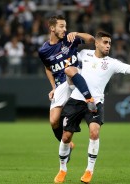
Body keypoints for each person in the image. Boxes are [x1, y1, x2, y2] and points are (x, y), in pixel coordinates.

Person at [53, 31, 130, 183]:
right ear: (97, 43)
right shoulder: (84, 54)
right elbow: (67, 64)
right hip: (76, 100)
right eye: (105, 42)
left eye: (109, 43)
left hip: (96, 102)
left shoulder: (112, 63)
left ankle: (89, 170)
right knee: (66, 137)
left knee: (94, 133)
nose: (108, 46)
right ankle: (62, 170)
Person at [38, 15, 97, 156]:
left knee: (69, 70)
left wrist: (76, 33)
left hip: (76, 78)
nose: (65, 29)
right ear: (52, 28)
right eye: (61, 26)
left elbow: (91, 40)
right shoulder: (44, 51)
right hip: (61, 85)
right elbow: (48, 68)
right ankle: (67, 146)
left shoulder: (70, 39)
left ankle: (89, 99)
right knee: (53, 121)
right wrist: (53, 87)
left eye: (65, 26)